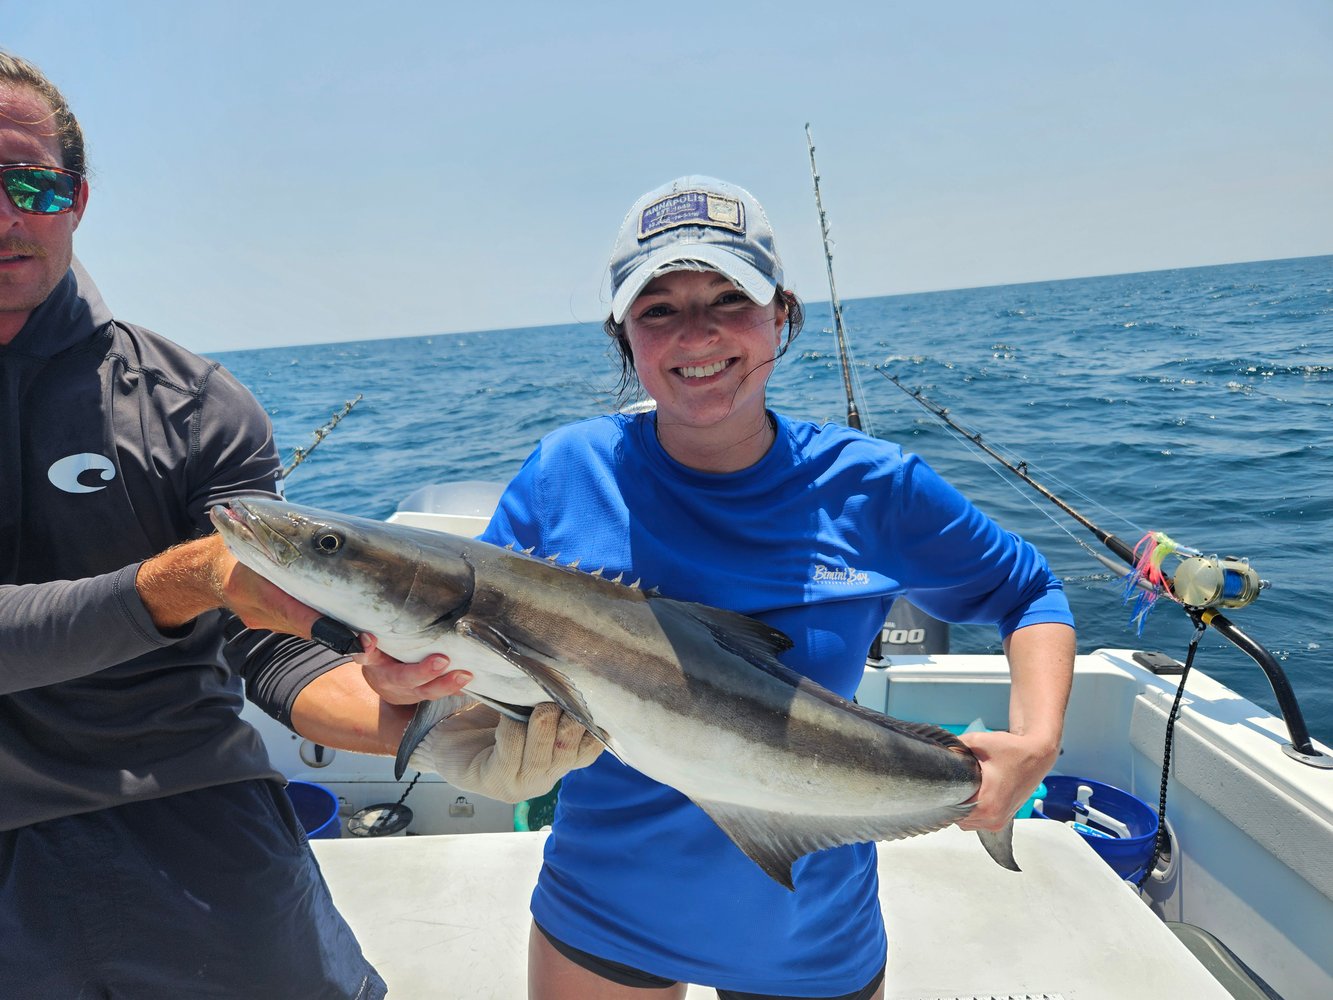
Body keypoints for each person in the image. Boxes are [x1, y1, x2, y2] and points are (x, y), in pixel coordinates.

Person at [393, 175, 1077, 999]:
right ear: (625, 336)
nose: (698, 334)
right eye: (660, 309)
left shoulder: (873, 486)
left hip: (810, 928)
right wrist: (420, 694)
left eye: (729, 298)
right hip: (601, 909)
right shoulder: (566, 473)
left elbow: (1026, 592)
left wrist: (1034, 742)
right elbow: (476, 667)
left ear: (780, 316)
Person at [0, 50, 491, 999]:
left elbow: (269, 652)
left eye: (31, 184)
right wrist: (175, 584)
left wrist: (424, 718)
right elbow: (202, 586)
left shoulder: (195, 404)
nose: (4, 216)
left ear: (80, 200)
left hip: (191, 809)